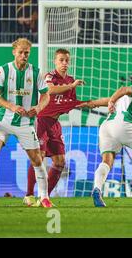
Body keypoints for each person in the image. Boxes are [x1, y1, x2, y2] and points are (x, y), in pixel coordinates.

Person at [0, 38, 52, 208]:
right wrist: (11, 106)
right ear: (14, 52)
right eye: (20, 52)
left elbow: (46, 95)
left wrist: (39, 107)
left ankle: (44, 198)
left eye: (26, 52)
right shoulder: (3, 70)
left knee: (36, 159)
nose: (23, 55)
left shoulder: (36, 73)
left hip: (26, 122)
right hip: (3, 119)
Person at [80, 67, 132, 207]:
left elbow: (110, 99)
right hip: (122, 125)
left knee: (107, 161)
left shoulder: (128, 95)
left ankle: (97, 189)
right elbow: (123, 89)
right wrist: (112, 101)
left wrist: (90, 104)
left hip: (106, 126)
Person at [23, 49, 86, 206]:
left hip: (55, 124)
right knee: (39, 158)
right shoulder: (49, 77)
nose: (64, 63)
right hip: (42, 120)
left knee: (59, 162)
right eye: (61, 60)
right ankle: (29, 195)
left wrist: (84, 103)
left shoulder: (71, 80)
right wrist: (71, 85)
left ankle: (45, 197)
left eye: (66, 60)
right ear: (55, 62)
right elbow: (50, 90)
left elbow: (68, 104)